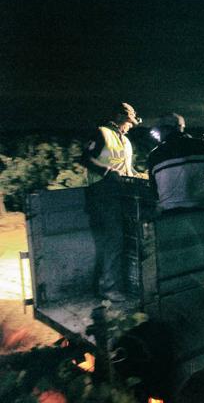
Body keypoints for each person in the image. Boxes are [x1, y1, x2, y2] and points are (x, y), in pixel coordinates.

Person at [82, 102, 142, 302]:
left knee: (115, 241)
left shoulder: (125, 141)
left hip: (120, 195)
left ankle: (101, 286)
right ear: (118, 117)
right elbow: (85, 158)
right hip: (102, 194)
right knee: (113, 240)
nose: (130, 126)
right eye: (128, 122)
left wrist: (138, 174)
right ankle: (109, 288)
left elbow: (125, 168)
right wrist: (107, 172)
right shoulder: (101, 133)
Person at [147, 113, 204, 213]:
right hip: (200, 207)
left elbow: (154, 190)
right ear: (181, 127)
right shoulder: (203, 146)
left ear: (164, 130)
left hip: (168, 211)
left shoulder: (154, 156)